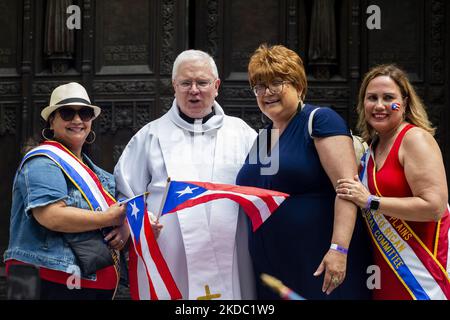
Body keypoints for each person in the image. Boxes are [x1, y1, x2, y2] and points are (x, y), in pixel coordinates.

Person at [114, 49, 257, 299]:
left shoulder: (243, 134)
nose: (194, 90)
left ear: (216, 86)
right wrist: (143, 220)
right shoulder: (150, 136)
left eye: (202, 82)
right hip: (170, 258)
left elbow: (264, 190)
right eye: (185, 83)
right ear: (174, 86)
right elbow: (126, 192)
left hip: (232, 252)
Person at [236, 44, 372, 299]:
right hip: (272, 271)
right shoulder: (263, 136)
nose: (267, 92)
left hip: (318, 264)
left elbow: (347, 189)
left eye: (276, 82)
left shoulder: (320, 120)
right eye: (259, 86)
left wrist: (339, 250)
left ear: (298, 85)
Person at [336, 64, 450, 300]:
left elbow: (434, 207)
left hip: (423, 270)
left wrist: (371, 201)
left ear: (405, 103)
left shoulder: (415, 139)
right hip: (385, 268)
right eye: (372, 98)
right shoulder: (370, 150)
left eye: (389, 98)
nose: (379, 105)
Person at [3, 82, 127, 300]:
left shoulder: (99, 175)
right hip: (49, 281)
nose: (77, 120)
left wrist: (125, 229)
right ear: (52, 120)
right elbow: (51, 216)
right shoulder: (42, 161)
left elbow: (117, 218)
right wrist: (107, 217)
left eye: (85, 113)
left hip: (91, 284)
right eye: (68, 113)